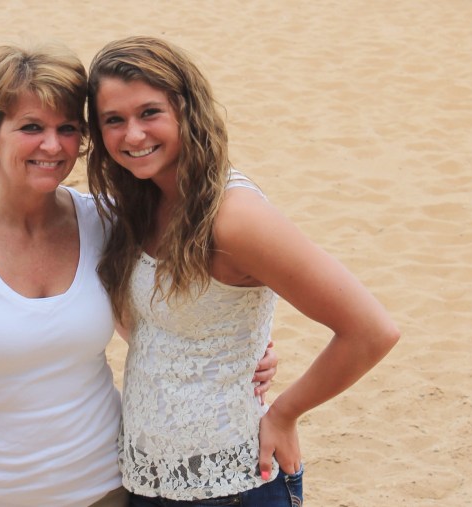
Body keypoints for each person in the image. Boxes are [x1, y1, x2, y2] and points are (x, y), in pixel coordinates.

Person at [0, 42, 278, 507]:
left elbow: (159, 324)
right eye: (31, 127)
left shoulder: (104, 222)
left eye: (67, 128)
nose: (52, 146)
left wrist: (239, 358)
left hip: (109, 489)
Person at [85, 36, 400, 507]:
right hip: (146, 476)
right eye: (114, 120)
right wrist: (228, 350)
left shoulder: (233, 216)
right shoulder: (139, 201)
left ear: (186, 111)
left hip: (236, 481)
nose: (132, 135)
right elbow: (156, 327)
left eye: (149, 113)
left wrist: (286, 413)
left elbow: (371, 330)